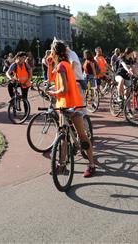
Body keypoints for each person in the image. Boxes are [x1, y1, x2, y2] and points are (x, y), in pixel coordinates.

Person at [46, 40, 95, 177]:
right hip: (66, 105)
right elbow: (51, 78)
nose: (50, 53)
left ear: (55, 52)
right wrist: (49, 64)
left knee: (81, 136)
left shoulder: (62, 66)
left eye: (51, 51)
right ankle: (63, 165)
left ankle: (90, 164)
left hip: (70, 104)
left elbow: (64, 89)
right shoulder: (63, 64)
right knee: (64, 137)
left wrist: (53, 93)